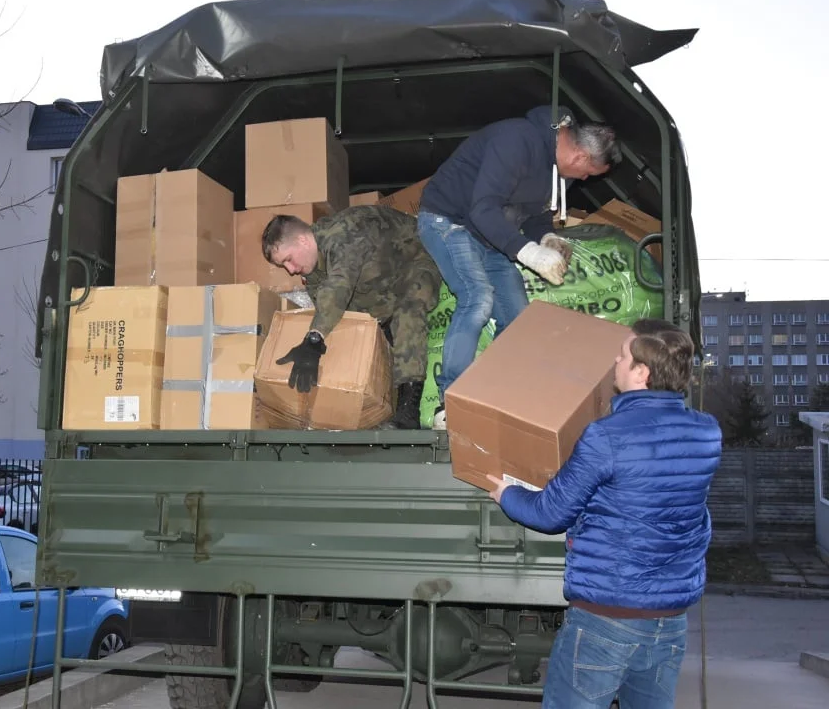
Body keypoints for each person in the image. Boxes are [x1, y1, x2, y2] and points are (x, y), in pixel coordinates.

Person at [483, 318, 722, 709]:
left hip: (606, 617)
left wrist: (508, 494)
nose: (615, 359)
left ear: (641, 372)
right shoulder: (707, 433)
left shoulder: (606, 435)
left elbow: (550, 513)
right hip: (669, 621)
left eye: (623, 354)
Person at [418, 105, 621, 429]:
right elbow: (483, 209)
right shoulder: (517, 140)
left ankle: (494, 396)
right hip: (449, 221)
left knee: (518, 318)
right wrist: (527, 252)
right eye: (588, 174)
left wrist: (548, 239)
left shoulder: (560, 175)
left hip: (488, 235)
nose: (584, 180)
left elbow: (535, 216)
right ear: (581, 158)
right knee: (477, 297)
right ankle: (450, 402)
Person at [262, 204, 441, 429]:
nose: (290, 270)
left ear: (303, 241)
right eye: (283, 265)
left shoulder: (344, 234)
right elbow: (328, 308)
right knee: (357, 329)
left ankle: (408, 412)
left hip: (415, 261)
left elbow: (339, 287)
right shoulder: (312, 268)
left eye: (288, 259)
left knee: (407, 311)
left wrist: (314, 339)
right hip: (380, 280)